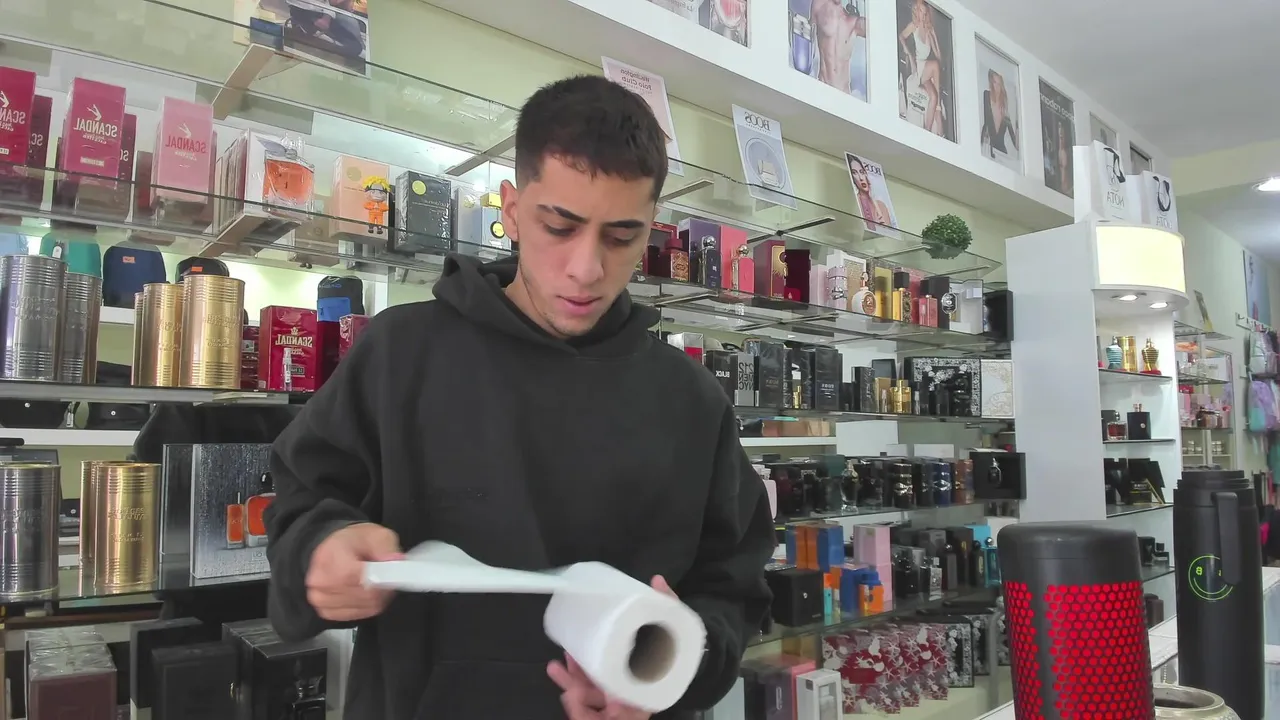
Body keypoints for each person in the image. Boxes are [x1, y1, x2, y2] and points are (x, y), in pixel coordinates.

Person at [264, 75, 775, 720]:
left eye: (621, 236)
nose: (586, 268)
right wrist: (323, 548)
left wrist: (670, 668)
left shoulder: (692, 400)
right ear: (509, 209)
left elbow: (734, 587)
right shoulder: (402, 354)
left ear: (650, 228)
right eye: (559, 226)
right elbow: (300, 503)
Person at [811, 0, 866, 95]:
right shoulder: (819, 6)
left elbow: (878, 31)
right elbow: (808, 32)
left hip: (844, 94)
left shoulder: (853, 21)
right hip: (823, 89)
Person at [847, 154, 893, 230]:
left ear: (865, 174)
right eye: (855, 173)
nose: (861, 178)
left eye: (861, 172)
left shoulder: (881, 205)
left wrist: (874, 201)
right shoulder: (855, 205)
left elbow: (887, 232)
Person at [980, 70, 1018, 158]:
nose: (997, 87)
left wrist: (1018, 124)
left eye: (999, 84)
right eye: (994, 83)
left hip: (1001, 154)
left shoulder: (1004, 110)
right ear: (991, 83)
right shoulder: (986, 96)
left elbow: (1016, 144)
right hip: (987, 150)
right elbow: (985, 124)